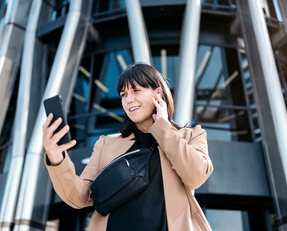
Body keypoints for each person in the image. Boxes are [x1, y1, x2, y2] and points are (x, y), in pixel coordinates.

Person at [42, 63, 214, 231]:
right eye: (123, 94)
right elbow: (80, 196)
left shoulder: (192, 136)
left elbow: (196, 176)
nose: (129, 99)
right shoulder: (107, 143)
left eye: (136, 90)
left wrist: (162, 127)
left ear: (158, 94)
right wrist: (57, 160)